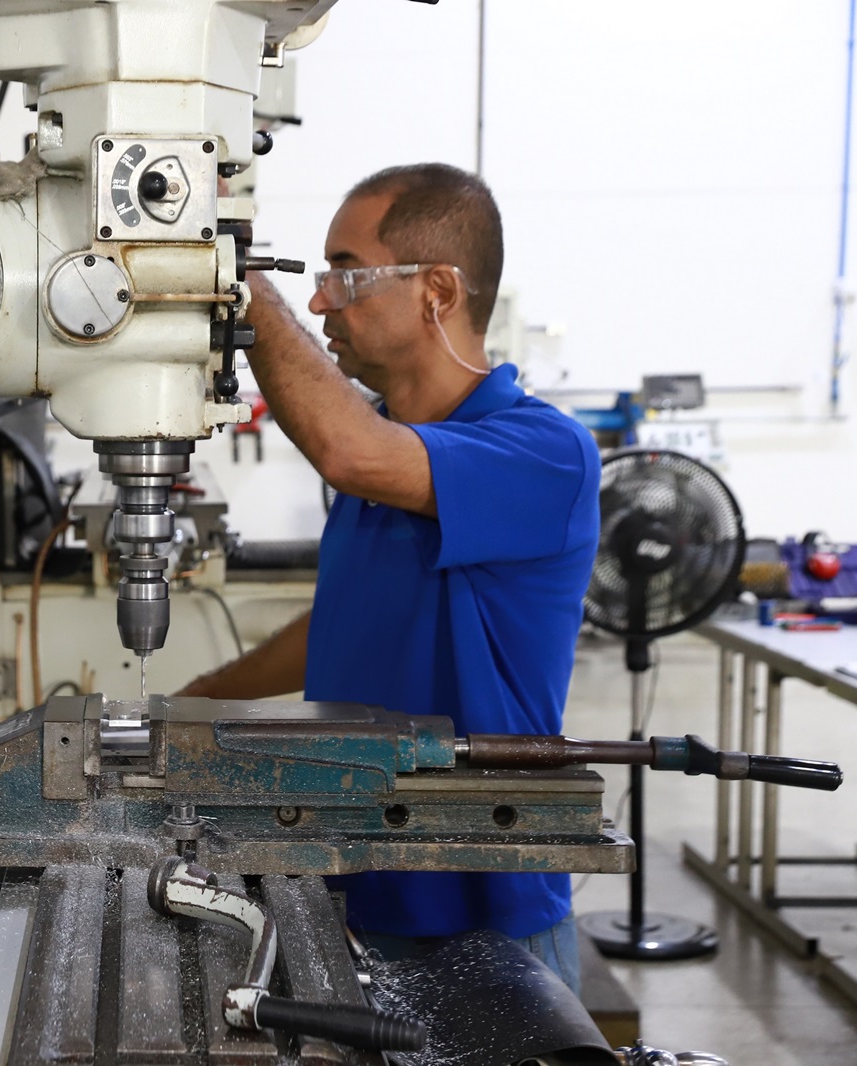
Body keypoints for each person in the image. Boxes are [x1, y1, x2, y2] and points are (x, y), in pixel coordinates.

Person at [180, 163, 600, 993]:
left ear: (438, 290)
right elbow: (347, 623)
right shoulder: (386, 448)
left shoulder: (543, 453)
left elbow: (346, 450)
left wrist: (232, 269)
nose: (323, 299)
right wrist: (189, 708)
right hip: (353, 888)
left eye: (345, 272)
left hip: (480, 919)